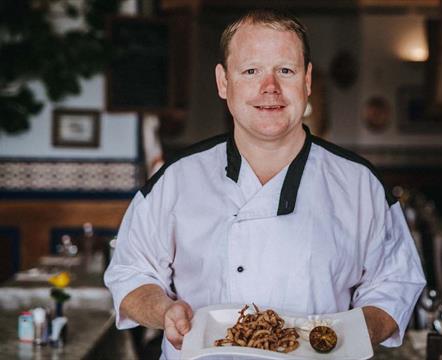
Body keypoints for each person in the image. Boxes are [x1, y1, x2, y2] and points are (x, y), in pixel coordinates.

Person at [104, 9, 425, 359]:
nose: (269, 88)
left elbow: (395, 283)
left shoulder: (360, 183)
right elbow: (131, 274)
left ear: (307, 81)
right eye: (251, 71)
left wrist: (346, 338)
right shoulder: (176, 179)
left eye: (285, 71)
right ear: (223, 82)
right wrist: (166, 311)